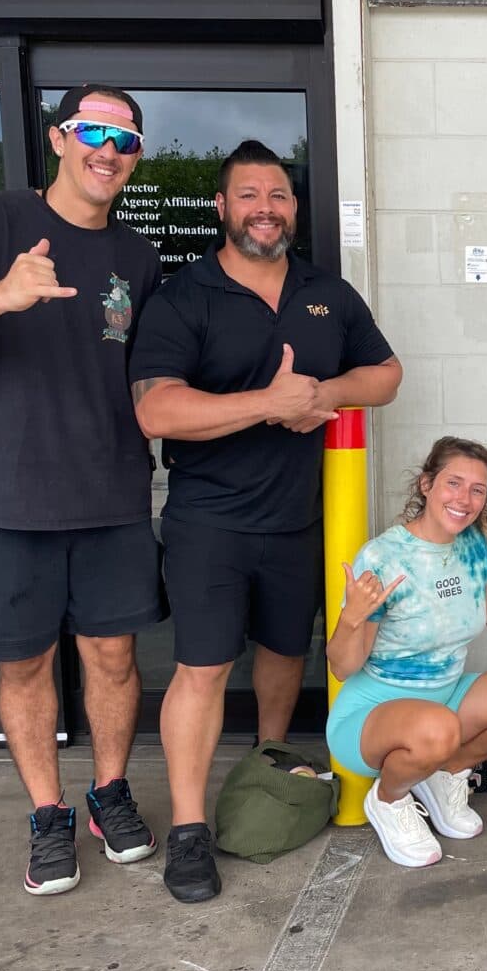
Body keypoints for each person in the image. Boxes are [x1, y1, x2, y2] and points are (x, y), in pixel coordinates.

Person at [128, 139, 401, 903]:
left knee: (285, 654)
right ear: (222, 207)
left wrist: (325, 392)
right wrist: (269, 403)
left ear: (293, 209)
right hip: (209, 522)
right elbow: (155, 409)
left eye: (278, 195)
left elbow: (386, 375)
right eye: (249, 195)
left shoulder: (326, 293)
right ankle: (188, 831)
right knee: (205, 668)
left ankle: (270, 765)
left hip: (298, 519)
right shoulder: (186, 296)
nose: (265, 208)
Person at [0, 84, 164, 896]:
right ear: (58, 138)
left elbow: (149, 375)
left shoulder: (140, 258)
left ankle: (108, 794)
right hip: (6, 498)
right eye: (92, 132)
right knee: (25, 665)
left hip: (112, 494)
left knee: (114, 657)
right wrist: (0, 296)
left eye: (125, 140)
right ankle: (48, 815)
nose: (107, 151)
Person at [325, 436, 487, 867]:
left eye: (477, 490)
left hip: (446, 698)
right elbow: (341, 668)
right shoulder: (384, 556)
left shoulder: (473, 547)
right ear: (426, 484)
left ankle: (443, 772)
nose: (464, 499)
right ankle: (389, 799)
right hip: (372, 715)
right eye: (453, 483)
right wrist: (352, 619)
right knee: (439, 728)